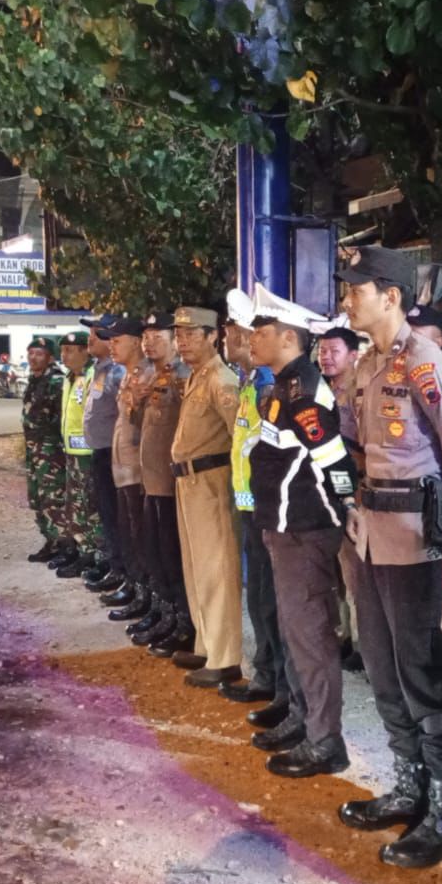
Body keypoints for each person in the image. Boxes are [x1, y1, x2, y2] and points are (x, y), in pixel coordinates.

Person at [336, 246, 442, 869]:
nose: (346, 300)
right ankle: (409, 786)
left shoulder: (427, 364)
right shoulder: (366, 364)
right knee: (382, 668)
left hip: (417, 544)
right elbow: (356, 447)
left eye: (356, 290)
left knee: (423, 675)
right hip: (370, 535)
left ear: (390, 296)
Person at [248, 289, 358, 777]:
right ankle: (303, 717)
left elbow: (334, 460)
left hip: (304, 529)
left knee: (310, 636)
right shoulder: (282, 386)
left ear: (289, 339)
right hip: (282, 525)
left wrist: (346, 508)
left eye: (262, 332)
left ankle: (324, 740)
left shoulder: (304, 392)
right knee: (294, 631)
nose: (253, 340)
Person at [218, 297, 290, 726]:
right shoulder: (250, 382)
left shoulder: (266, 386)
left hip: (267, 509)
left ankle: (280, 686)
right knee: (260, 598)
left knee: (271, 602)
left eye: (232, 332)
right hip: (251, 505)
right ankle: (266, 675)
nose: (227, 338)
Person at [169, 305, 245, 687]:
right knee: (196, 569)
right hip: (190, 483)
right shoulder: (197, 376)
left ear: (212, 336)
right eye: (179, 335)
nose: (182, 341)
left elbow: (239, 441)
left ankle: (225, 657)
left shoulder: (222, 380)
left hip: (212, 483)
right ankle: (207, 644)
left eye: (191, 334)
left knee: (217, 571)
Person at [131, 312, 194, 656]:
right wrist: (136, 401)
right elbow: (144, 425)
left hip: (170, 485)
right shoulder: (152, 376)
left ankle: (184, 623)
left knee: (172, 557)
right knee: (155, 553)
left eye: (158, 336)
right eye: (146, 336)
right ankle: (166, 613)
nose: (149, 342)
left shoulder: (184, 376)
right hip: (150, 480)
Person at [316, 324, 365, 666]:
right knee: (334, 571)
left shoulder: (361, 392)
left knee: (354, 571)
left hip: (355, 490)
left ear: (353, 355)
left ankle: (362, 646)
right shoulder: (321, 391)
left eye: (334, 351)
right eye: (322, 351)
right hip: (327, 492)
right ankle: (344, 634)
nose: (327, 357)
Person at [103, 318, 155, 623]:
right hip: (123, 469)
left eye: (117, 340)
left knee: (142, 537)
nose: (111, 346)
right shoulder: (128, 375)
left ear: (136, 342)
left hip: (138, 472)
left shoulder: (149, 376)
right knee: (129, 533)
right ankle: (135, 589)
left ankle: (147, 595)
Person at [80, 318, 129, 594]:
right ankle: (114, 566)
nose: (91, 338)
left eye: (97, 333)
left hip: (114, 455)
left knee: (116, 517)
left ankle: (123, 571)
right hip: (100, 453)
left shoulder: (117, 372)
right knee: (106, 515)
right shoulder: (99, 369)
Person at [53, 328, 101, 577]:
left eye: (70, 351)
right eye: (62, 351)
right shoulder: (69, 378)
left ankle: (95, 555)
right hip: (72, 452)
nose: (64, 356)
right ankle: (81, 549)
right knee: (75, 505)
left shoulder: (93, 376)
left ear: (85, 352)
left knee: (90, 506)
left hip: (88, 453)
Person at [21, 336, 68, 563]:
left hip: (51, 451)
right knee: (38, 497)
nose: (33, 358)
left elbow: (62, 418)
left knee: (53, 497)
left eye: (39, 354)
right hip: (34, 450)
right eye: (31, 353)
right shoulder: (35, 380)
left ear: (50, 358)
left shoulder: (56, 382)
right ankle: (50, 541)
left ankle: (64, 545)